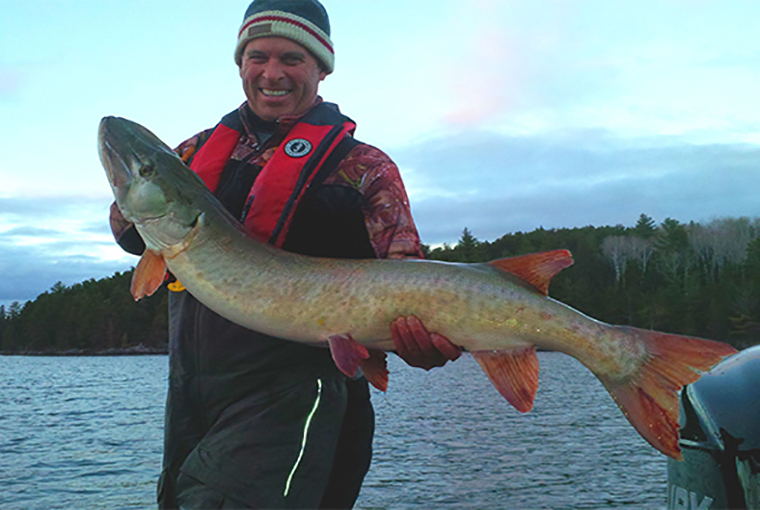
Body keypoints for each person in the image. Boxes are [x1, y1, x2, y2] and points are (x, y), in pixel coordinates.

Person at [109, 0, 462, 507]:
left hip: (302, 394)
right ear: (241, 64)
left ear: (321, 68)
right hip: (193, 390)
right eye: (258, 57)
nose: (272, 74)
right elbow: (130, 232)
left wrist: (423, 337)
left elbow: (411, 277)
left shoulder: (363, 167)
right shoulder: (193, 153)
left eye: (292, 59)